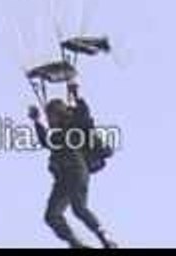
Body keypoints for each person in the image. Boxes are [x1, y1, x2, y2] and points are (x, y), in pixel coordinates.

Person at [29, 80, 118, 249]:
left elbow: (84, 116)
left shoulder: (74, 125)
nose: (50, 120)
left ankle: (105, 238)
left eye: (51, 116)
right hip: (63, 178)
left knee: (79, 209)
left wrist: (76, 95)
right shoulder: (56, 135)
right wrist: (36, 121)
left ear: (59, 114)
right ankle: (75, 244)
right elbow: (45, 140)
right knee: (52, 216)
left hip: (76, 171)